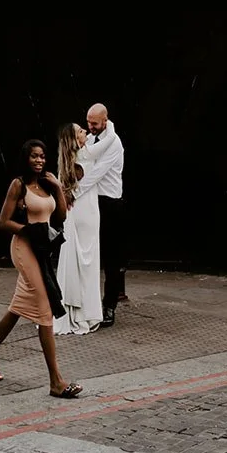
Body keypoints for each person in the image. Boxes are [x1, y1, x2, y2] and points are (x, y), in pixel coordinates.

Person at [0, 139, 82, 397]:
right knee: (44, 308)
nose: (39, 160)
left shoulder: (47, 183)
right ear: (26, 158)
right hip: (23, 247)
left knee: (16, 308)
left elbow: (61, 216)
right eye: (34, 156)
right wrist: (30, 231)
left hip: (42, 249)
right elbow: (3, 222)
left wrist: (56, 187)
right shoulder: (18, 185)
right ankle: (56, 381)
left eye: (42, 156)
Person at [54, 122, 102, 336]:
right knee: (88, 262)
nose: (85, 132)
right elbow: (108, 141)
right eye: (81, 131)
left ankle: (73, 306)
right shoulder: (86, 157)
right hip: (87, 213)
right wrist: (106, 123)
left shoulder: (70, 159)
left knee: (77, 260)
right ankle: (85, 312)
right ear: (76, 140)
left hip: (77, 213)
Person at [83, 102, 125, 326]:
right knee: (89, 254)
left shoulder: (114, 142)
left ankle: (109, 306)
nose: (90, 126)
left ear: (105, 120)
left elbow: (96, 174)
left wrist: (73, 192)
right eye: (88, 122)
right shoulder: (91, 138)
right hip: (92, 201)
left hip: (109, 203)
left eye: (95, 123)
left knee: (111, 258)